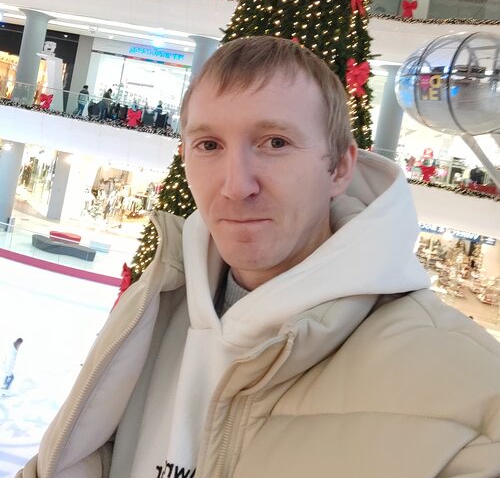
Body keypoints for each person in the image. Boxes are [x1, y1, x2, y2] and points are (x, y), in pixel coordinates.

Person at [18, 37, 500, 478]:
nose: (236, 186)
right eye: (209, 145)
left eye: (275, 143)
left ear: (339, 168)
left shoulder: (470, 390)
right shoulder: (150, 311)